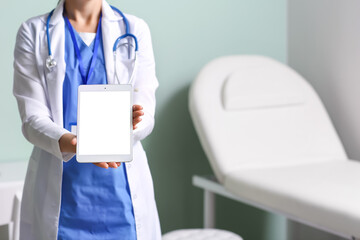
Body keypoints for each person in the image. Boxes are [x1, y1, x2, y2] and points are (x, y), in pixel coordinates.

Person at [12, 0, 161, 239]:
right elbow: (32, 117)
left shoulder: (134, 29)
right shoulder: (34, 32)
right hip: (63, 205)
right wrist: (76, 143)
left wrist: (125, 129)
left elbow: (145, 111)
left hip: (122, 203)